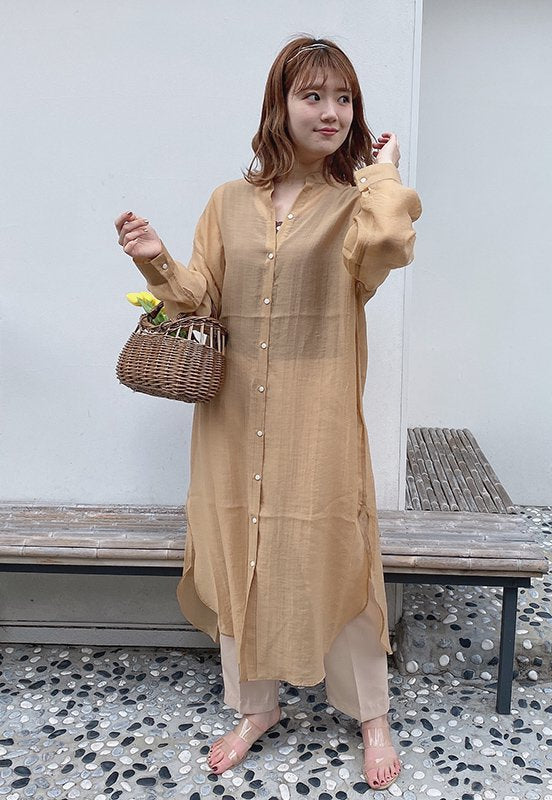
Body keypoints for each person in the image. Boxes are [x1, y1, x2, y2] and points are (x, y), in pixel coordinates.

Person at [114, 35, 421, 791]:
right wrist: (154, 257)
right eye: (312, 96)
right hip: (230, 415)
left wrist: (384, 171)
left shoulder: (357, 206)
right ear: (278, 105)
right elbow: (198, 298)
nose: (330, 112)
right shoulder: (228, 202)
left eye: (343, 98)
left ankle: (371, 715)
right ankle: (256, 708)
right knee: (237, 550)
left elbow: (391, 241)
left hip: (317, 416)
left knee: (337, 549)